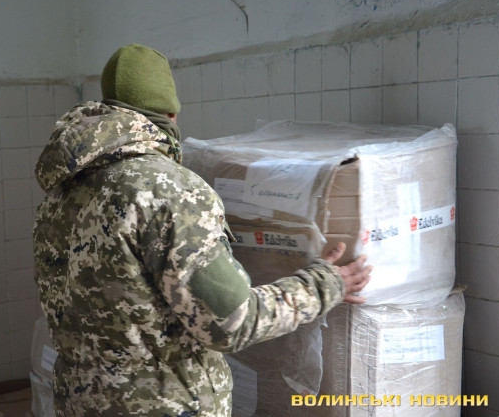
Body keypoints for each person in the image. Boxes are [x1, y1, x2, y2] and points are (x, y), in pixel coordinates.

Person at [33, 43, 372, 417]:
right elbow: (232, 323)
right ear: (171, 114)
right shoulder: (166, 189)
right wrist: (324, 284)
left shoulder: (60, 196)